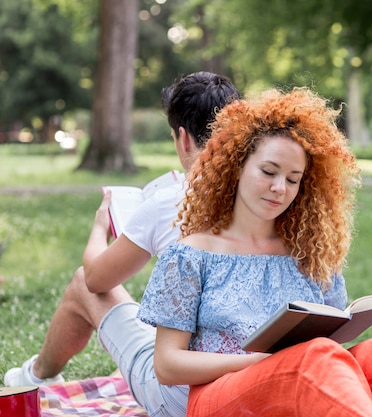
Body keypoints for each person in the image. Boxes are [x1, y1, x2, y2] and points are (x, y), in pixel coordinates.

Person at [137, 87, 372, 417]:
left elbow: (331, 343)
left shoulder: (309, 252)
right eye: (268, 172)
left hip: (298, 387)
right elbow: (167, 364)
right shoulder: (190, 256)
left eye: (293, 180)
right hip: (221, 396)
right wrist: (262, 362)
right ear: (237, 166)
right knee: (312, 360)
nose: (280, 188)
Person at [4, 72, 241, 417]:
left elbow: (97, 280)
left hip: (183, 395)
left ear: (183, 138)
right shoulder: (269, 196)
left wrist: (101, 227)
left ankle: (33, 376)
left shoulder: (171, 201)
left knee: (83, 284)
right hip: (245, 378)